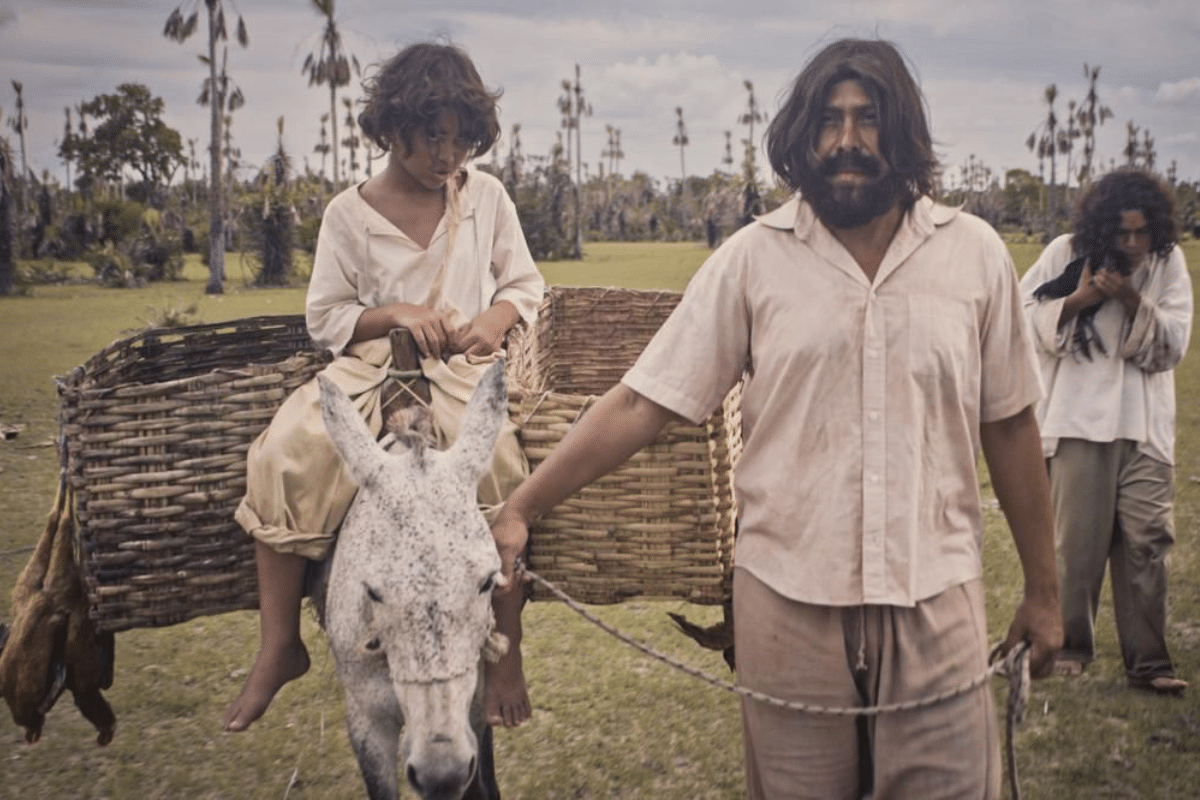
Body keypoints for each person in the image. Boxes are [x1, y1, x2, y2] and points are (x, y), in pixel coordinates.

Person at [490, 38, 1063, 798]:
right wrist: (520, 507)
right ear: (802, 135)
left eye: (868, 119)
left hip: (937, 594)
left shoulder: (975, 256)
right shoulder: (754, 259)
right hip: (788, 602)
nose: (848, 141)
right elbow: (640, 402)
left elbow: (1012, 425)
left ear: (904, 133)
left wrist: (1045, 592)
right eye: (829, 120)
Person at [223, 41, 544, 733]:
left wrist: (492, 321)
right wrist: (395, 313)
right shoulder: (349, 213)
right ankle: (280, 645)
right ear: (392, 127)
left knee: (499, 473)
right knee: (285, 453)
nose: (447, 155)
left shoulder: (483, 198)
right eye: (433, 138)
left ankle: (504, 652)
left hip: (456, 377)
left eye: (462, 140)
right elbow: (326, 316)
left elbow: (524, 283)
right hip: (368, 374)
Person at [1019, 169, 1192, 696]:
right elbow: (1021, 318)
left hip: (1144, 424)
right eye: (1123, 234)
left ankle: (1148, 662)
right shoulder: (1064, 253)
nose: (1134, 244)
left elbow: (1176, 341)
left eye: (1142, 233)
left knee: (1148, 541)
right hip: (1078, 419)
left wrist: (1134, 301)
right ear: (1102, 229)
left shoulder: (1166, 263)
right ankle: (1071, 645)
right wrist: (1080, 300)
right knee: (1077, 545)